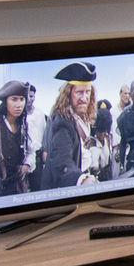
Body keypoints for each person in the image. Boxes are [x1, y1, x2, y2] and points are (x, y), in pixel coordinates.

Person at [34, 62, 98, 191]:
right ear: (68, 94)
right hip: (61, 188)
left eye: (88, 92)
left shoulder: (81, 116)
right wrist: (81, 179)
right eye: (79, 92)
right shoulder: (62, 122)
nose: (84, 98)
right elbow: (62, 160)